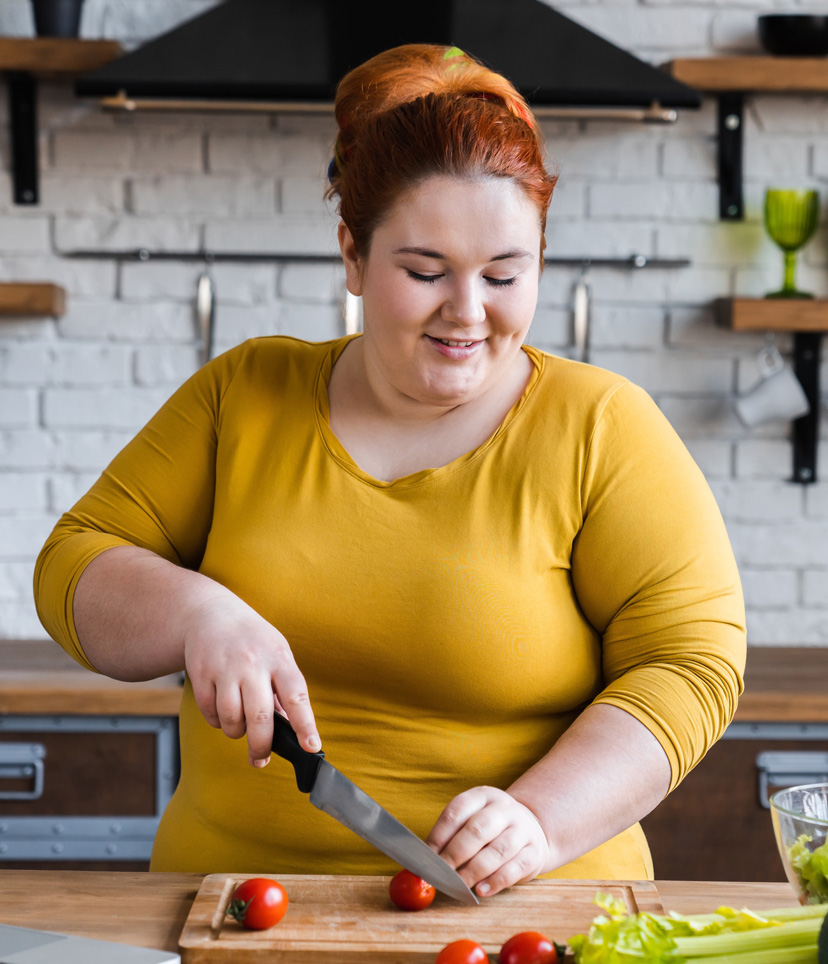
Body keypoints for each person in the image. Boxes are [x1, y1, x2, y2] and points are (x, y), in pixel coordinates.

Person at [34, 43, 746, 897]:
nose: (468, 311)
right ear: (352, 256)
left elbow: (693, 664)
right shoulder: (245, 394)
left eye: (506, 274)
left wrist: (541, 818)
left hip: (525, 916)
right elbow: (73, 562)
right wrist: (197, 612)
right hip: (226, 908)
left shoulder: (602, 428)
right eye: (424, 271)